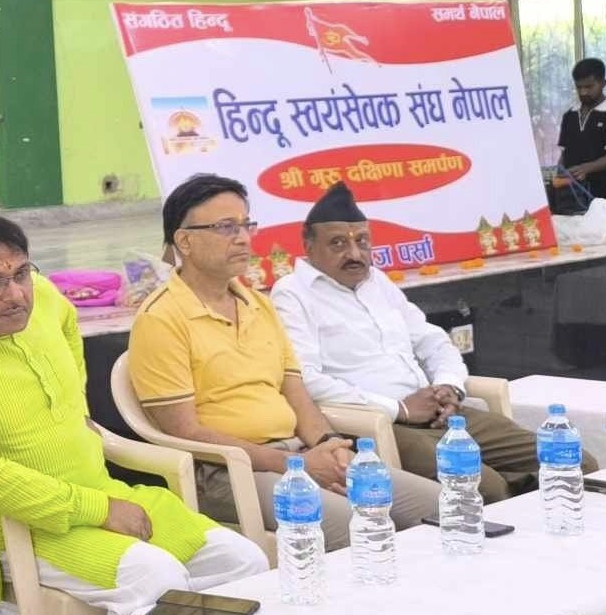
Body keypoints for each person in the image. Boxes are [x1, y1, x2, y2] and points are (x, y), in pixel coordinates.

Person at [0, 212, 263, 615]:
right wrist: (99, 509)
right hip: (15, 527)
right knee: (153, 575)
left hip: (100, 490)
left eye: (20, 273)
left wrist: (75, 404)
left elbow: (68, 324)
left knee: (243, 562)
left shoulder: (43, 297)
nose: (15, 294)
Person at [128, 175, 439, 549]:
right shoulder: (161, 319)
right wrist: (296, 466)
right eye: (226, 227)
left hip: (297, 454)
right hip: (226, 471)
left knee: (435, 505)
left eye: (246, 225)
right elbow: (185, 432)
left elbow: (296, 392)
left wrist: (330, 445)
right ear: (185, 241)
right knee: (360, 525)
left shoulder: (258, 304)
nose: (243, 238)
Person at [272, 184, 594, 503]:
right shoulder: (292, 293)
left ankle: (525, 495)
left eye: (362, 241)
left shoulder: (376, 281)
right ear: (308, 246)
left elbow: (433, 340)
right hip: (379, 425)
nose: (354, 254)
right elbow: (306, 380)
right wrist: (399, 409)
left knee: (574, 461)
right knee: (486, 488)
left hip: (437, 412)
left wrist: (449, 386)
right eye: (338, 243)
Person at [550, 57, 606, 213]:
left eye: (589, 86)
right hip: (573, 199)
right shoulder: (569, 116)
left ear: (603, 83)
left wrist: (585, 169)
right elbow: (565, 154)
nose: (583, 92)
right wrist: (560, 172)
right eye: (579, 87)